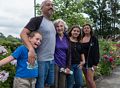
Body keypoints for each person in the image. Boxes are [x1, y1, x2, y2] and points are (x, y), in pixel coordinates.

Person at [20, 0, 56, 88]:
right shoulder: (37, 20)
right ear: (41, 8)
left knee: (49, 83)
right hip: (40, 60)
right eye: (48, 5)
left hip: (51, 60)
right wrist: (31, 50)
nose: (51, 6)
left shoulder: (52, 23)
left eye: (52, 5)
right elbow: (23, 34)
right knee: (40, 85)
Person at [53, 19, 71, 88]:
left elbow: (69, 54)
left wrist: (68, 66)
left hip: (64, 64)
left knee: (62, 85)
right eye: (57, 26)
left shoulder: (67, 38)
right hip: (55, 63)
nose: (59, 28)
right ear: (55, 28)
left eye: (61, 26)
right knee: (54, 84)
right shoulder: (53, 37)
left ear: (64, 27)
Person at [81, 24, 100, 88]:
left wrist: (95, 63)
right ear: (83, 30)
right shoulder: (81, 39)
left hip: (91, 62)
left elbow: (97, 51)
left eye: (88, 28)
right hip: (83, 62)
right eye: (85, 28)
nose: (86, 29)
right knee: (86, 79)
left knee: (90, 79)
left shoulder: (94, 39)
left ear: (90, 29)